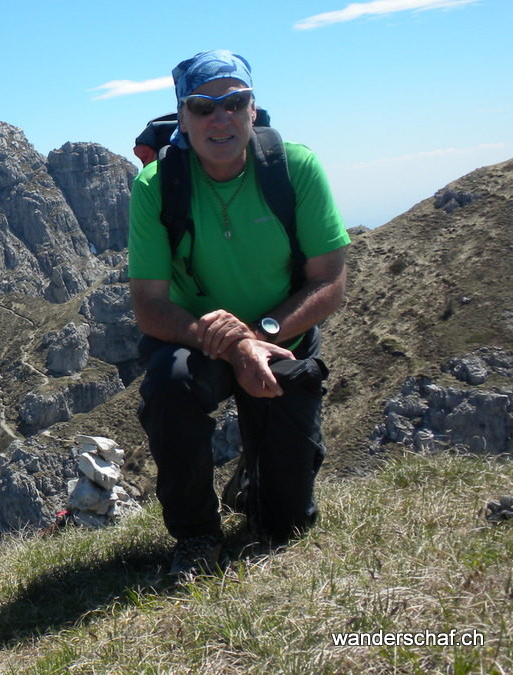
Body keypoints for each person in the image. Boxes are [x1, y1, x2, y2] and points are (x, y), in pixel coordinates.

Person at [127, 50, 351, 578]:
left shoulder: (295, 168)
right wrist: (232, 344)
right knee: (169, 383)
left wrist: (258, 334)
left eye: (235, 102)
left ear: (254, 109)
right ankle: (197, 536)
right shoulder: (157, 185)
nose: (220, 118)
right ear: (182, 117)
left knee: (284, 527)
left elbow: (330, 281)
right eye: (203, 106)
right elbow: (149, 307)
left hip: (281, 338)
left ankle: (257, 484)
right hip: (197, 342)